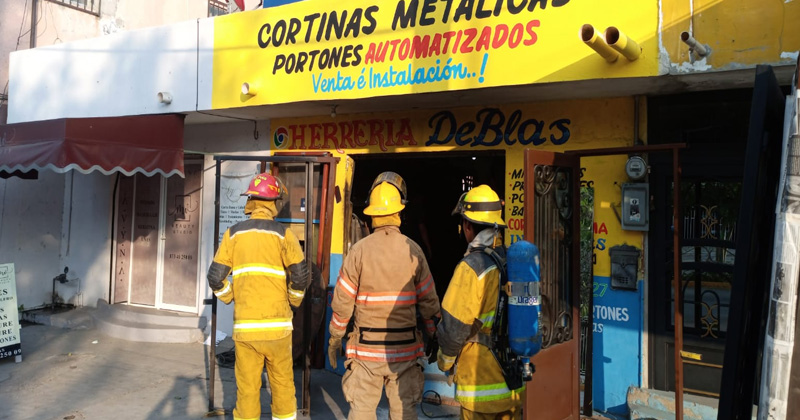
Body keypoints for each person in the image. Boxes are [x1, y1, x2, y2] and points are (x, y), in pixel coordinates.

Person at [328, 172, 441, 420]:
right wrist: (434, 336)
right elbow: (429, 303)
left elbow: (343, 303)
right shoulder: (414, 251)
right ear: (399, 213)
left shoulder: (358, 251)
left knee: (362, 411)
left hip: (366, 351)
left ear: (371, 215)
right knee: (404, 412)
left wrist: (335, 337)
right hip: (405, 351)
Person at [207, 172, 309, 420]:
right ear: (274, 202)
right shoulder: (284, 234)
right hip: (278, 330)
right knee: (283, 386)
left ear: (250, 200)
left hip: (247, 330)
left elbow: (215, 277)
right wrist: (293, 301)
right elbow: (300, 276)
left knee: (248, 391)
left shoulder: (233, 234)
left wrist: (231, 296)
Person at [436, 185, 525, 420]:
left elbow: (454, 328)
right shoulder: (512, 261)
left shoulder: (471, 267)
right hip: (513, 385)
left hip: (480, 389)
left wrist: (444, 362)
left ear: (467, 225)